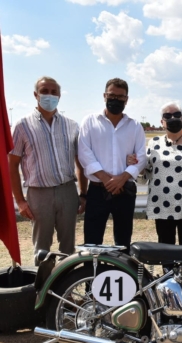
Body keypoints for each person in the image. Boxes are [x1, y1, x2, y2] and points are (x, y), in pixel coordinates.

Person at [8, 76, 87, 264]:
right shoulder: (22, 126)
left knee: (68, 246)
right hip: (39, 193)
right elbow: (12, 164)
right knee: (42, 248)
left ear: (59, 96)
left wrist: (83, 194)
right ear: (36, 95)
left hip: (67, 190)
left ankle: (64, 290)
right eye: (45, 91)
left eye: (54, 92)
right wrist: (20, 200)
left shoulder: (72, 125)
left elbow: (80, 163)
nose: (49, 96)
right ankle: (42, 290)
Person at [78, 78, 146, 252]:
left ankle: (122, 276)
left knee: (123, 242)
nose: (116, 100)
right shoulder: (90, 121)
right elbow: (85, 153)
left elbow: (141, 156)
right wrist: (107, 179)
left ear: (126, 99)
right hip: (97, 190)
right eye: (112, 95)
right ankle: (91, 277)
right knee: (92, 241)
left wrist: (121, 179)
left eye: (120, 97)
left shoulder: (135, 125)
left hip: (125, 191)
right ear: (105, 96)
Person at [129, 103, 182, 246]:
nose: (173, 118)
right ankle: (168, 269)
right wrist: (136, 165)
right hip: (162, 206)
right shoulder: (153, 143)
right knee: (165, 250)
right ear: (162, 122)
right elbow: (143, 178)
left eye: (177, 115)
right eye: (167, 116)